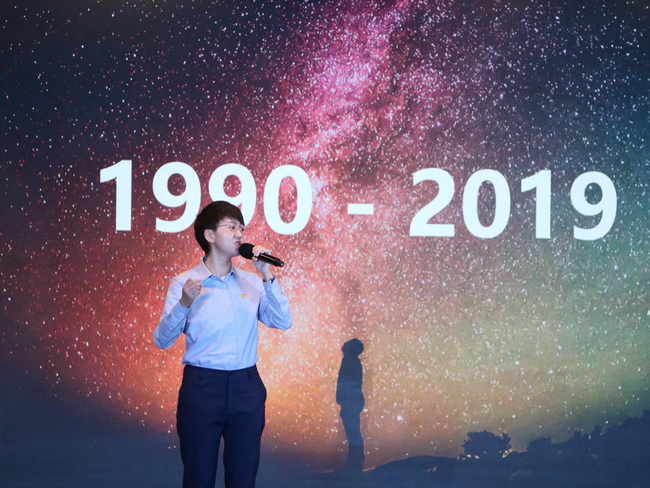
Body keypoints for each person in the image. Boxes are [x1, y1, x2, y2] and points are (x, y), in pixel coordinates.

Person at [154, 201, 293, 488]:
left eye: (242, 228)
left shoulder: (253, 282)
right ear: (209, 235)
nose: (240, 234)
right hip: (202, 386)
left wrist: (268, 277)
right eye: (232, 227)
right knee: (198, 476)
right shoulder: (184, 283)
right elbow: (163, 340)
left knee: (243, 477)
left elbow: (282, 321)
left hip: (246, 386)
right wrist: (184, 303)